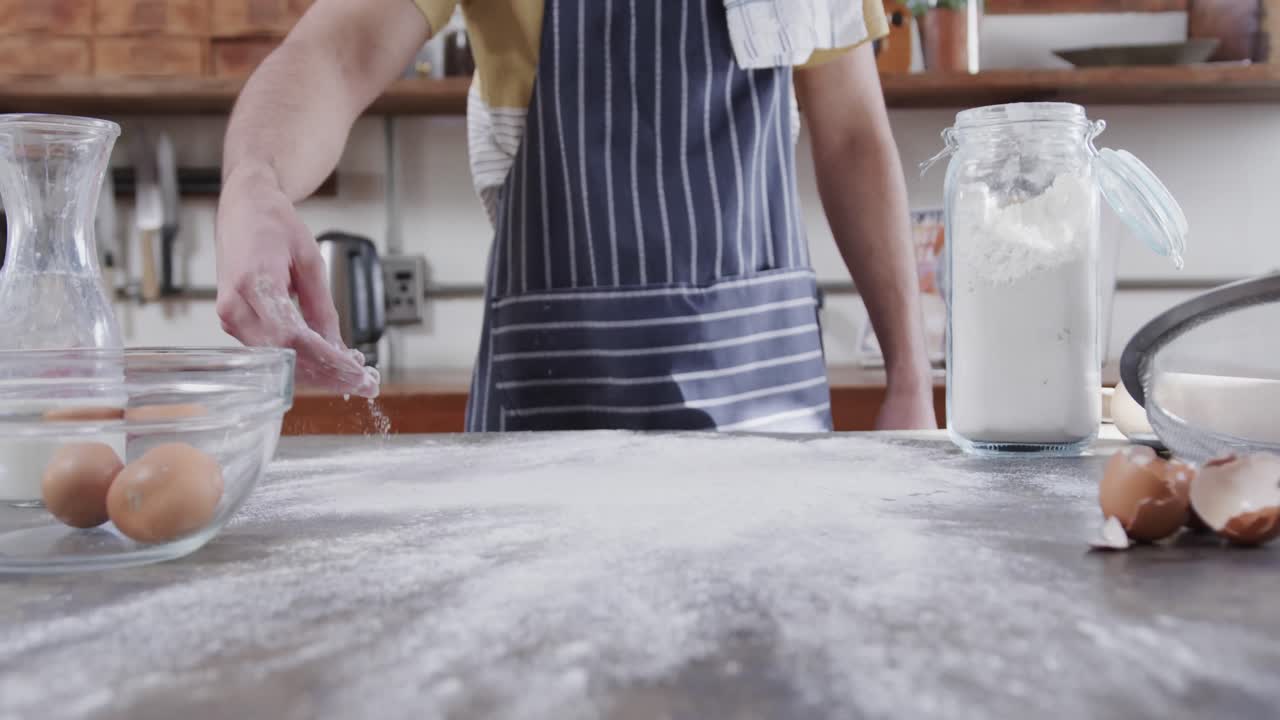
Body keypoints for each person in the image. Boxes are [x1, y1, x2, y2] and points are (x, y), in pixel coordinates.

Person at [215, 0, 937, 432]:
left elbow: (852, 138)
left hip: (767, 404)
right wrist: (256, 179)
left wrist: (910, 377)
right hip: (552, 414)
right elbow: (335, 52)